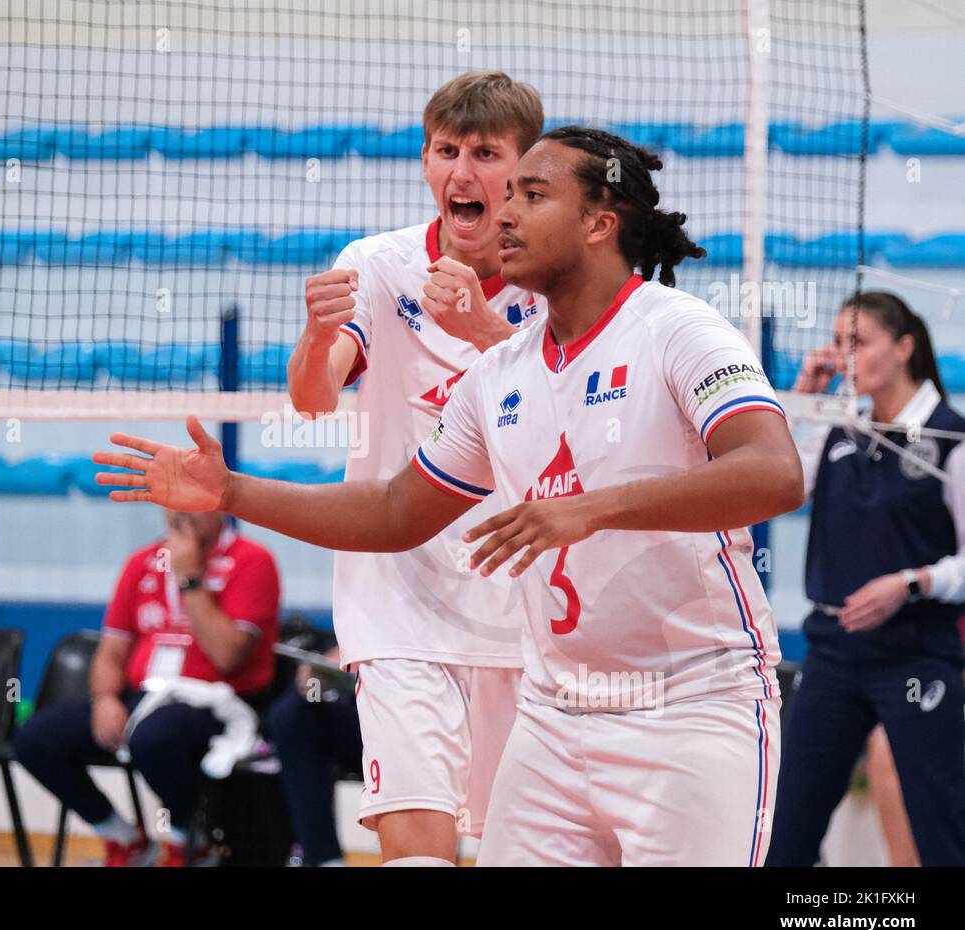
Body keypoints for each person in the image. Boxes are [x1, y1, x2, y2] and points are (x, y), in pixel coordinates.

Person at [95, 127, 804, 866]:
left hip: (688, 706)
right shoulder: (502, 372)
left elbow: (774, 473)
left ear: (601, 222)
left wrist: (591, 508)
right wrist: (233, 490)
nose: (505, 214)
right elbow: (397, 511)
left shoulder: (678, 329)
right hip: (555, 721)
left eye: (533, 196)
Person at [287, 69, 545, 865]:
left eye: (485, 152)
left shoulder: (553, 277)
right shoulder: (378, 263)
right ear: (427, 162)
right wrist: (311, 336)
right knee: (418, 851)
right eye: (445, 150)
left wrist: (479, 330)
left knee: (512, 849)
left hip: (521, 610)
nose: (462, 171)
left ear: (524, 171)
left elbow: (568, 408)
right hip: (396, 605)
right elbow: (312, 399)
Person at [766, 291, 965, 866]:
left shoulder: (950, 438)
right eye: (838, 343)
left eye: (859, 342)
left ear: (904, 348)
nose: (845, 356)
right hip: (833, 656)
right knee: (787, 837)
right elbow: (779, 486)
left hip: (916, 654)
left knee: (942, 832)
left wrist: (909, 583)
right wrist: (805, 400)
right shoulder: (840, 430)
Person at [14, 510, 280, 866]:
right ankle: (122, 836)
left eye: (193, 502)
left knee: (153, 738)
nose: (181, 512)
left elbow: (227, 655)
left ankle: (191, 840)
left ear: (219, 506)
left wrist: (189, 578)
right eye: (171, 502)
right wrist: (105, 699)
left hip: (218, 701)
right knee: (36, 738)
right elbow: (111, 651)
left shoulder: (252, 560)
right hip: (146, 695)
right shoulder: (141, 562)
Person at [267, 643, 362, 866]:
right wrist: (319, 675)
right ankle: (326, 860)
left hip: (422, 715)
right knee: (293, 715)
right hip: (363, 709)